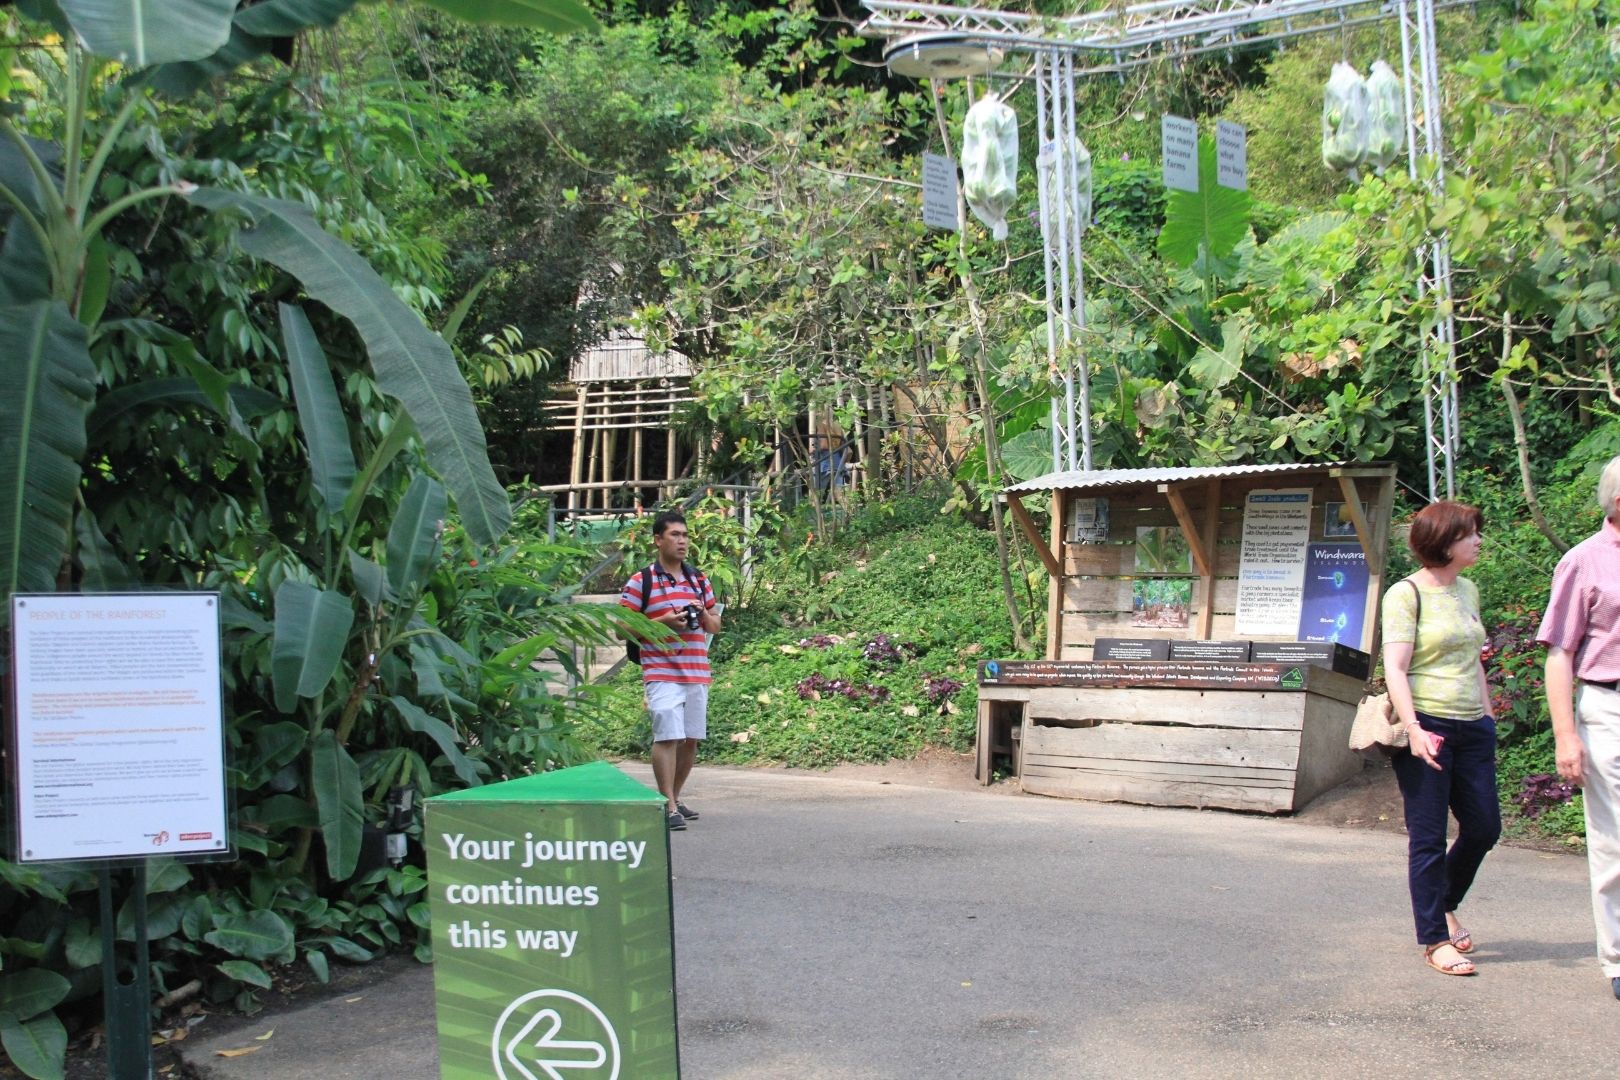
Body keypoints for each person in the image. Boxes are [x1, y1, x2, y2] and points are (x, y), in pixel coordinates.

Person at [1382, 499, 1498, 976]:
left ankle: (1444, 903)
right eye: (1470, 533)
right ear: (1445, 541)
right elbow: (1396, 666)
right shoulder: (1406, 594)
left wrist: (1488, 719)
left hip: (1473, 726)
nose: (1478, 540)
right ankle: (1433, 938)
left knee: (1484, 827)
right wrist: (1413, 730)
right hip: (1427, 724)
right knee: (1427, 838)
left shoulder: (1467, 588)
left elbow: (1474, 660)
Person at [1536, 453, 1620, 1002]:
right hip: (1607, 708)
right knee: (1615, 839)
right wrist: (1566, 735)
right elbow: (1559, 654)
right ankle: (1618, 957)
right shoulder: (1583, 562)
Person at [619, 511, 721, 831]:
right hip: (661, 669)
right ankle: (669, 804)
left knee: (690, 739)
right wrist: (664, 621)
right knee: (668, 734)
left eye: (685, 535)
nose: (682, 541)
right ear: (658, 540)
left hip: (696, 668)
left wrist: (702, 613)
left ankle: (672, 800)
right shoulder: (641, 581)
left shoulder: (698, 579)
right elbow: (623, 628)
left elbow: (716, 625)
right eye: (675, 535)